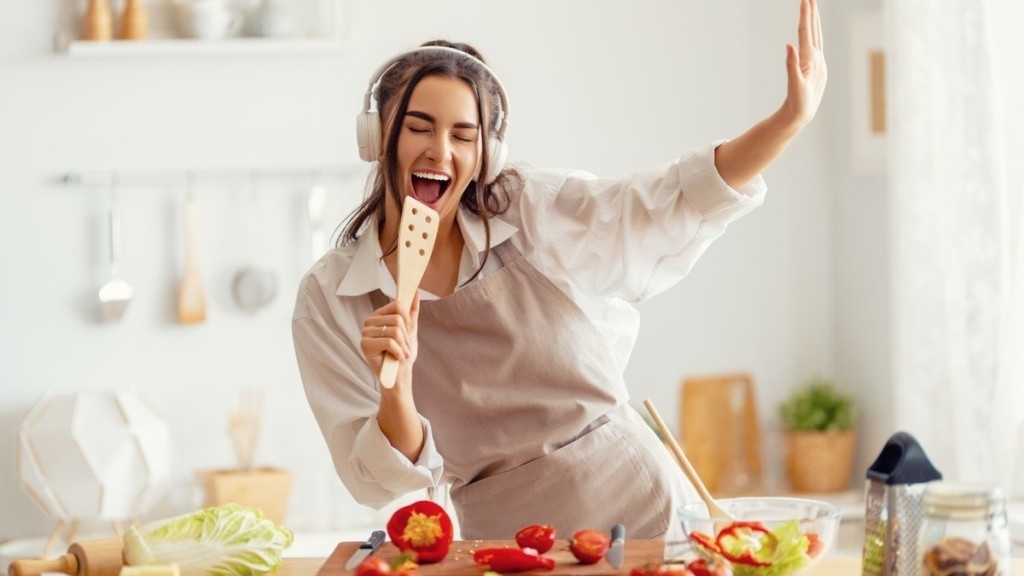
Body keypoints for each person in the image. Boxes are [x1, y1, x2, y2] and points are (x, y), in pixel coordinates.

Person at [293, 0, 826, 540]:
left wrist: (787, 123)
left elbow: (660, 203)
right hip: (508, 539)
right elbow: (373, 482)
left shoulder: (528, 212)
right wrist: (397, 391)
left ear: (487, 154)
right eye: (418, 128)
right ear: (377, 134)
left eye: (463, 135)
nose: (440, 151)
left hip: (643, 507)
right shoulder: (332, 296)